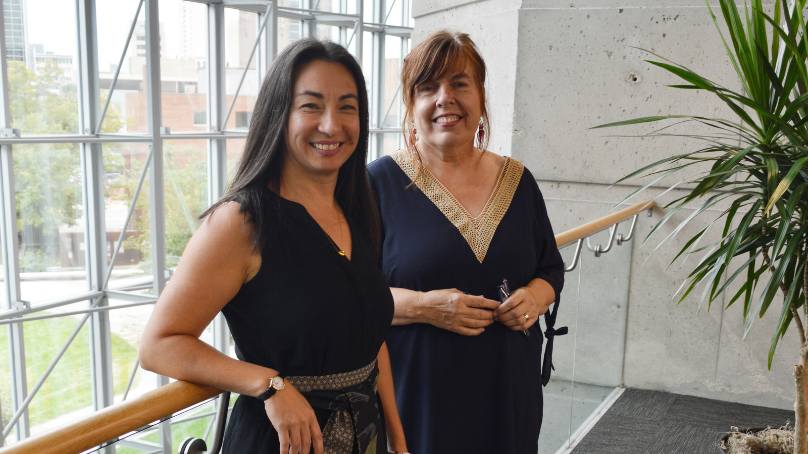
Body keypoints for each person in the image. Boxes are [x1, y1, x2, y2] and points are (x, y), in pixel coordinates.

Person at [139, 39, 408, 454]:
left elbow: (372, 343)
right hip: (280, 441)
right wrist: (268, 385)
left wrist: (398, 441)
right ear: (278, 115)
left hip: (364, 437)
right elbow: (159, 345)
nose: (332, 125)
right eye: (311, 106)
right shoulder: (241, 222)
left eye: (347, 107)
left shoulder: (358, 209)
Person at [366, 30, 565, 454]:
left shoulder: (518, 180)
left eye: (459, 83)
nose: (445, 98)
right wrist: (427, 308)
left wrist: (533, 297)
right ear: (411, 103)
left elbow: (550, 269)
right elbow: (351, 296)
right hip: (421, 403)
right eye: (428, 87)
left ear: (481, 96)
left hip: (510, 396)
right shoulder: (376, 184)